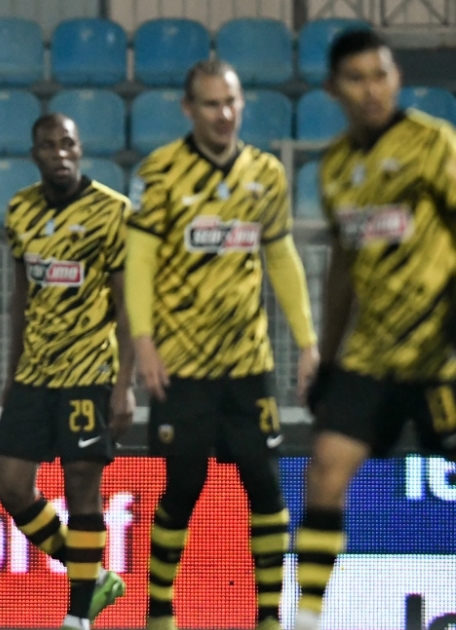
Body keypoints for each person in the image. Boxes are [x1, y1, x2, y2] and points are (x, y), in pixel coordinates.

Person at [126, 60, 317, 630]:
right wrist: (143, 340)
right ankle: (160, 613)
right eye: (211, 104)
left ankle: (269, 618)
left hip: (247, 364)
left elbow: (281, 256)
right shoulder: (160, 172)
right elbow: (140, 262)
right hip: (181, 366)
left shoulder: (266, 173)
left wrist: (308, 343)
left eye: (231, 102)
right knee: (182, 486)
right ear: (188, 109)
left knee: (267, 486)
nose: (224, 114)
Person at [294, 30, 456, 630]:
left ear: (397, 79)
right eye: (357, 78)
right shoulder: (335, 166)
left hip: (440, 351)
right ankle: (307, 616)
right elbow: (342, 267)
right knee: (325, 469)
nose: (372, 90)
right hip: (372, 354)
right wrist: (328, 354)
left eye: (381, 75)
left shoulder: (433, 144)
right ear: (333, 88)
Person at [0, 113, 134, 630]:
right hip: (34, 373)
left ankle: (78, 615)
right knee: (9, 484)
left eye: (67, 143)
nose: (59, 153)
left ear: (80, 149)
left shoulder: (113, 212)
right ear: (35, 153)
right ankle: (92, 575)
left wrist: (125, 385)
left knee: (81, 487)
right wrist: (12, 371)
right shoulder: (20, 209)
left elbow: (128, 303)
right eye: (49, 145)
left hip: (90, 370)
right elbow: (20, 296)